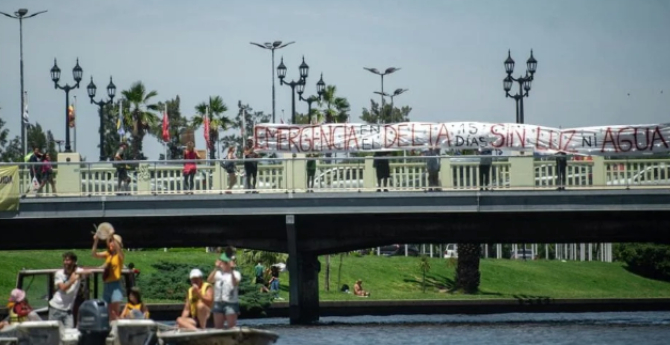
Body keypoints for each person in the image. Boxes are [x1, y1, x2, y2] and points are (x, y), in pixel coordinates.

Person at [49, 252, 88, 328]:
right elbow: (63, 288)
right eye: (65, 260)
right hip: (56, 308)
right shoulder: (59, 273)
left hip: (68, 311)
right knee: (54, 333)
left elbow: (89, 272)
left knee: (70, 333)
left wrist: (79, 272)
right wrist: (71, 280)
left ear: (74, 262)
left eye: (68, 260)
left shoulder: (78, 272)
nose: (65, 262)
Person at [92, 231, 125, 321]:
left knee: (115, 311)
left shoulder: (120, 256)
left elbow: (119, 250)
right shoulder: (108, 254)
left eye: (113, 241)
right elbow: (94, 254)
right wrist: (96, 241)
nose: (111, 243)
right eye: (110, 241)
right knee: (108, 311)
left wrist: (113, 238)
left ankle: (117, 329)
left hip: (115, 285)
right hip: (107, 285)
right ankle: (110, 329)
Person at [208, 253, 241, 329]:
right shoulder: (218, 273)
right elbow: (209, 280)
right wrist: (216, 268)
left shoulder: (236, 273)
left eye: (226, 263)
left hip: (231, 303)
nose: (225, 264)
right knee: (218, 328)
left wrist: (231, 270)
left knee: (232, 327)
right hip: (218, 302)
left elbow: (234, 283)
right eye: (224, 262)